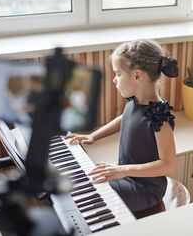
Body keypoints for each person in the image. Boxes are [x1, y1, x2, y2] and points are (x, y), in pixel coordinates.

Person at [65, 39, 179, 213]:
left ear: (137, 76)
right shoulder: (135, 101)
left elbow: (168, 165)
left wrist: (122, 170)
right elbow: (124, 118)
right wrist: (93, 136)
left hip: (145, 190)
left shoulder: (159, 115)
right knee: (83, 180)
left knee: (87, 194)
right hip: (126, 177)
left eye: (118, 74)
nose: (114, 80)